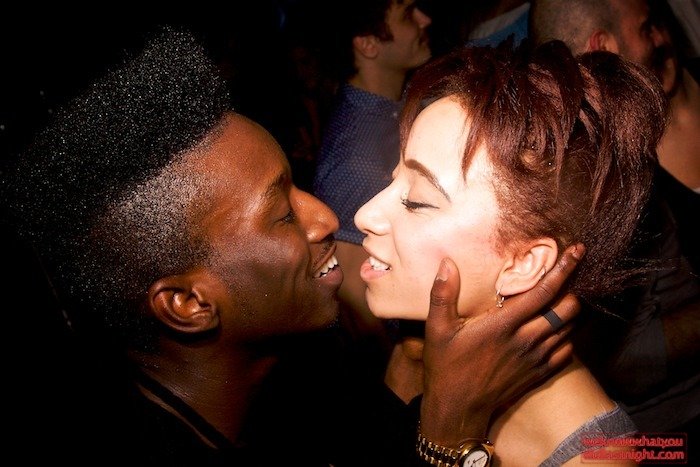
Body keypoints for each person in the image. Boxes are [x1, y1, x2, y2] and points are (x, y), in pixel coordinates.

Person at [3, 26, 582, 465]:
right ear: (189, 304)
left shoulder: (306, 374)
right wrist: (450, 433)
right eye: (282, 215)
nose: (328, 217)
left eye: (298, 183)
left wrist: (413, 366)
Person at [355, 40, 667, 465]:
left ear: (524, 263)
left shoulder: (597, 458)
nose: (365, 215)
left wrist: (447, 438)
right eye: (394, 180)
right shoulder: (416, 349)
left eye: (417, 201)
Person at [529, 0, 700, 434]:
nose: (662, 37)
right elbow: (623, 363)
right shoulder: (596, 182)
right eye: (646, 28)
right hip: (661, 441)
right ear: (603, 47)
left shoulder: (619, 145)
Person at [313, 0, 433, 362]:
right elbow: (356, 297)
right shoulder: (355, 154)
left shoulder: (394, 106)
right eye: (408, 14)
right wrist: (410, 369)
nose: (425, 19)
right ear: (368, 44)